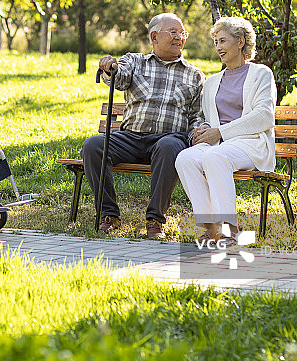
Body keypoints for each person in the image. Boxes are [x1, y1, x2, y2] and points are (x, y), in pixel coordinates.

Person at [82, 12, 206, 238]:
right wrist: (110, 67)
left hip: (168, 140)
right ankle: (109, 214)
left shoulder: (194, 75)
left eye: (182, 33)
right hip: (130, 138)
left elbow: (197, 116)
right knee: (93, 146)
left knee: (169, 146)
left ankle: (155, 219)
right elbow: (118, 78)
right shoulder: (135, 61)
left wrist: (198, 133)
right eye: (173, 32)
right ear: (154, 37)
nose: (179, 37)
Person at [175, 16, 277, 246]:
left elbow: (264, 116)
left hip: (251, 144)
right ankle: (211, 229)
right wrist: (204, 128)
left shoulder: (261, 74)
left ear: (240, 42)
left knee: (215, 156)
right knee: (185, 159)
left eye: (223, 41)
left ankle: (230, 230)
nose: (218, 47)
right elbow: (210, 119)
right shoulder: (212, 82)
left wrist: (220, 132)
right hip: (220, 144)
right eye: (216, 42)